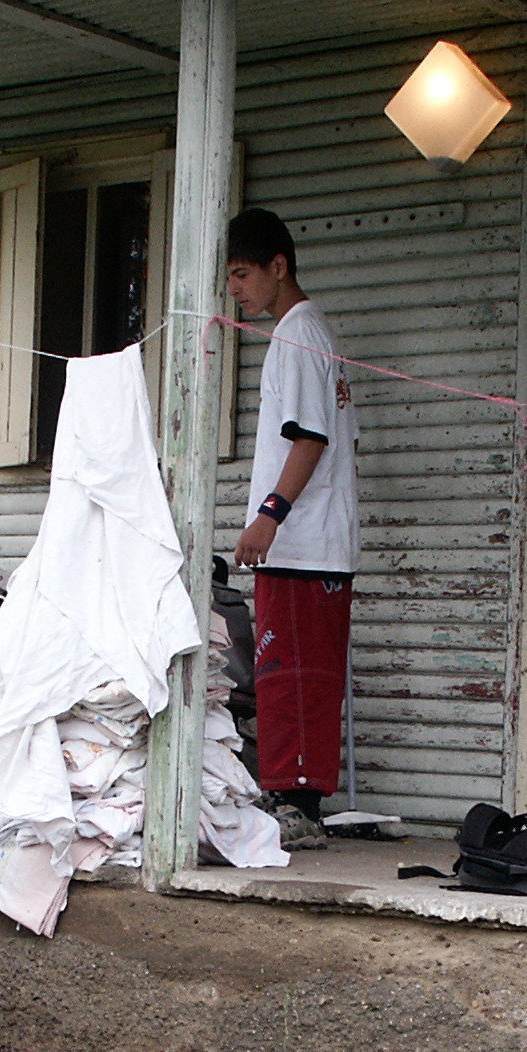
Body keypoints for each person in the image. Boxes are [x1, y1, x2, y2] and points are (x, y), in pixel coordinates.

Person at [224, 207, 359, 851]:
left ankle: (298, 808)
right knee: (285, 676)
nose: (234, 289)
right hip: (307, 546)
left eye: (243, 274)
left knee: (295, 676)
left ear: (279, 267)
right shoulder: (305, 333)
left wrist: (267, 517)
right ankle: (287, 799)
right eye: (230, 277)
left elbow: (309, 439)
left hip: (304, 545)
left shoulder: (299, 335)